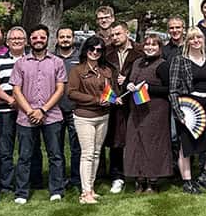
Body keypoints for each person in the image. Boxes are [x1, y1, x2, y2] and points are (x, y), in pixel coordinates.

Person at [11, 24, 67, 203]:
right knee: (24, 156)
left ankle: (56, 190)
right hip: (26, 116)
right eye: (34, 37)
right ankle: (21, 193)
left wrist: (43, 110)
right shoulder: (21, 63)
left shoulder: (57, 62)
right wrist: (30, 111)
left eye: (42, 37)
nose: (38, 40)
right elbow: (16, 91)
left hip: (52, 115)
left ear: (47, 39)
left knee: (56, 155)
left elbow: (60, 89)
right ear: (30, 40)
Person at [169, 27, 206, 194]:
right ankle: (187, 182)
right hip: (189, 107)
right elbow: (173, 90)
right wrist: (179, 112)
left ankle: (204, 176)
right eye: (192, 38)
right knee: (186, 146)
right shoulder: (179, 60)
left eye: (198, 38)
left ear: (203, 40)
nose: (196, 41)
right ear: (187, 41)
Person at [65, 35, 113, 203]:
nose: (95, 52)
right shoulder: (77, 70)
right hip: (84, 116)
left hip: (103, 116)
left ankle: (91, 188)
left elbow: (110, 91)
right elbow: (71, 92)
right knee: (87, 153)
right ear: (85, 50)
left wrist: (114, 98)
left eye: (99, 50)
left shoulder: (106, 71)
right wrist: (95, 100)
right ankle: (85, 193)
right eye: (92, 49)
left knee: (96, 152)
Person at [124, 33, 173, 192]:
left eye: (154, 45)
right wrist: (129, 85)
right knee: (135, 143)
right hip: (136, 110)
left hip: (155, 112)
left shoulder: (163, 65)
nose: (150, 48)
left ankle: (153, 181)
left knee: (153, 146)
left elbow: (170, 89)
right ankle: (139, 179)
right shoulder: (137, 62)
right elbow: (128, 81)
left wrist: (150, 89)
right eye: (147, 45)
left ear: (159, 48)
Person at [0, 26, 26, 195]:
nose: (17, 41)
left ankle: (28, 181)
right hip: (5, 110)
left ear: (25, 41)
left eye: (20, 38)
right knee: (5, 150)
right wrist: (10, 99)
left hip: (27, 111)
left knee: (28, 149)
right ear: (7, 42)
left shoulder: (33, 59)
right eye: (13, 39)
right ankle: (6, 185)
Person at [102, 22, 136, 193]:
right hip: (115, 103)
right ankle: (117, 176)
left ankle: (137, 173)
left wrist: (129, 80)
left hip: (135, 101)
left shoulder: (139, 51)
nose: (115, 37)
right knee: (116, 141)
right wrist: (113, 96)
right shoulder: (106, 53)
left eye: (118, 34)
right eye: (112, 35)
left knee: (136, 139)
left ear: (127, 33)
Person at [54, 26, 82, 191]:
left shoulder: (80, 57)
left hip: (75, 109)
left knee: (76, 147)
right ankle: (59, 180)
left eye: (68, 36)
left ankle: (77, 179)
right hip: (55, 110)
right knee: (56, 149)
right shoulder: (51, 58)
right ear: (57, 39)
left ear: (73, 38)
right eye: (62, 37)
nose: (65, 39)